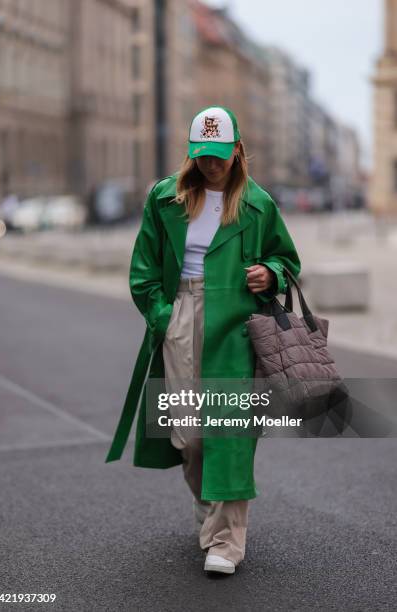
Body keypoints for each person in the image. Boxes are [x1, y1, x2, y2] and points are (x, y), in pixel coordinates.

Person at [105, 106, 301, 575]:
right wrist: (163, 316)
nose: (211, 164)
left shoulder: (258, 204)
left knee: (229, 434)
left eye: (219, 155)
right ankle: (210, 504)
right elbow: (143, 271)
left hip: (237, 324)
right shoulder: (165, 199)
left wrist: (269, 274)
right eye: (202, 156)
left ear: (237, 151)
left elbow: (287, 260)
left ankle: (227, 543)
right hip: (183, 316)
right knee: (189, 437)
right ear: (191, 154)